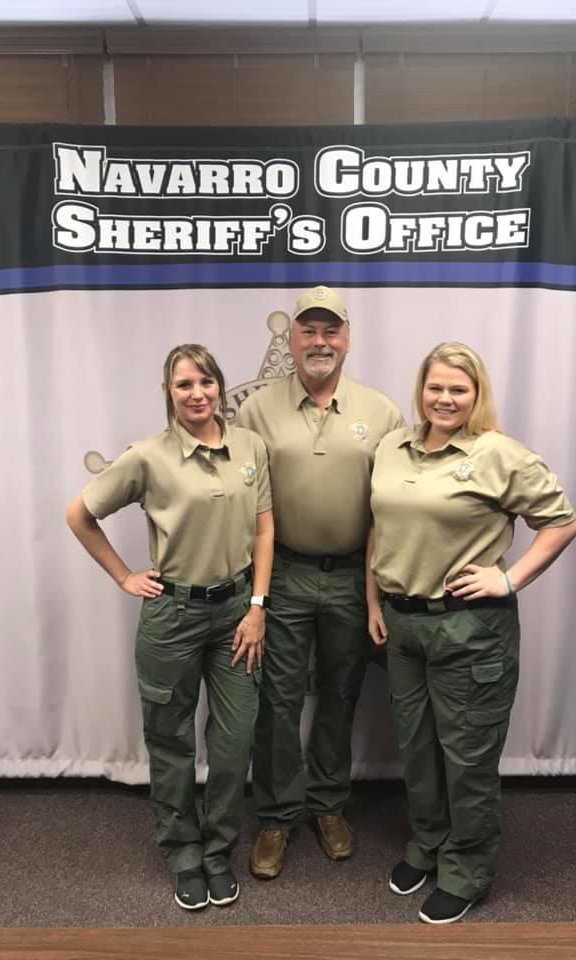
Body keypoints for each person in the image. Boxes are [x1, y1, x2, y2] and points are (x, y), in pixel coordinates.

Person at [367, 341, 576, 925]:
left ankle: (466, 868)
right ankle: (429, 843)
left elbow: (561, 522)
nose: (445, 398)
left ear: (476, 394)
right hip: (403, 622)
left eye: (458, 389)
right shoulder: (393, 446)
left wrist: (508, 580)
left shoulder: (498, 454)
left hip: (468, 629)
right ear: (421, 389)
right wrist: (373, 602)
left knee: (466, 758)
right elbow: (378, 528)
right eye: (435, 387)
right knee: (416, 748)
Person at [65, 344, 274, 912]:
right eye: (184, 384)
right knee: (171, 741)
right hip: (172, 617)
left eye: (206, 381)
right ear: (168, 393)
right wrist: (123, 576)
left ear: (219, 386)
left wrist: (257, 605)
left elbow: (263, 531)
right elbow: (79, 515)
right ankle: (184, 854)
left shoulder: (249, 447)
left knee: (232, 746)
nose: (197, 393)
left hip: (237, 614)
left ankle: (218, 852)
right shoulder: (147, 457)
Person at [237, 285, 403, 879]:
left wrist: (375, 591)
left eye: (331, 330)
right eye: (308, 330)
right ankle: (278, 814)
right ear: (291, 339)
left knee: (340, 694)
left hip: (350, 579)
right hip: (282, 573)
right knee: (278, 701)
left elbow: (394, 506)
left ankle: (328, 805)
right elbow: (246, 499)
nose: (320, 341)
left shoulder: (380, 412)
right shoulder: (257, 410)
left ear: (348, 339)